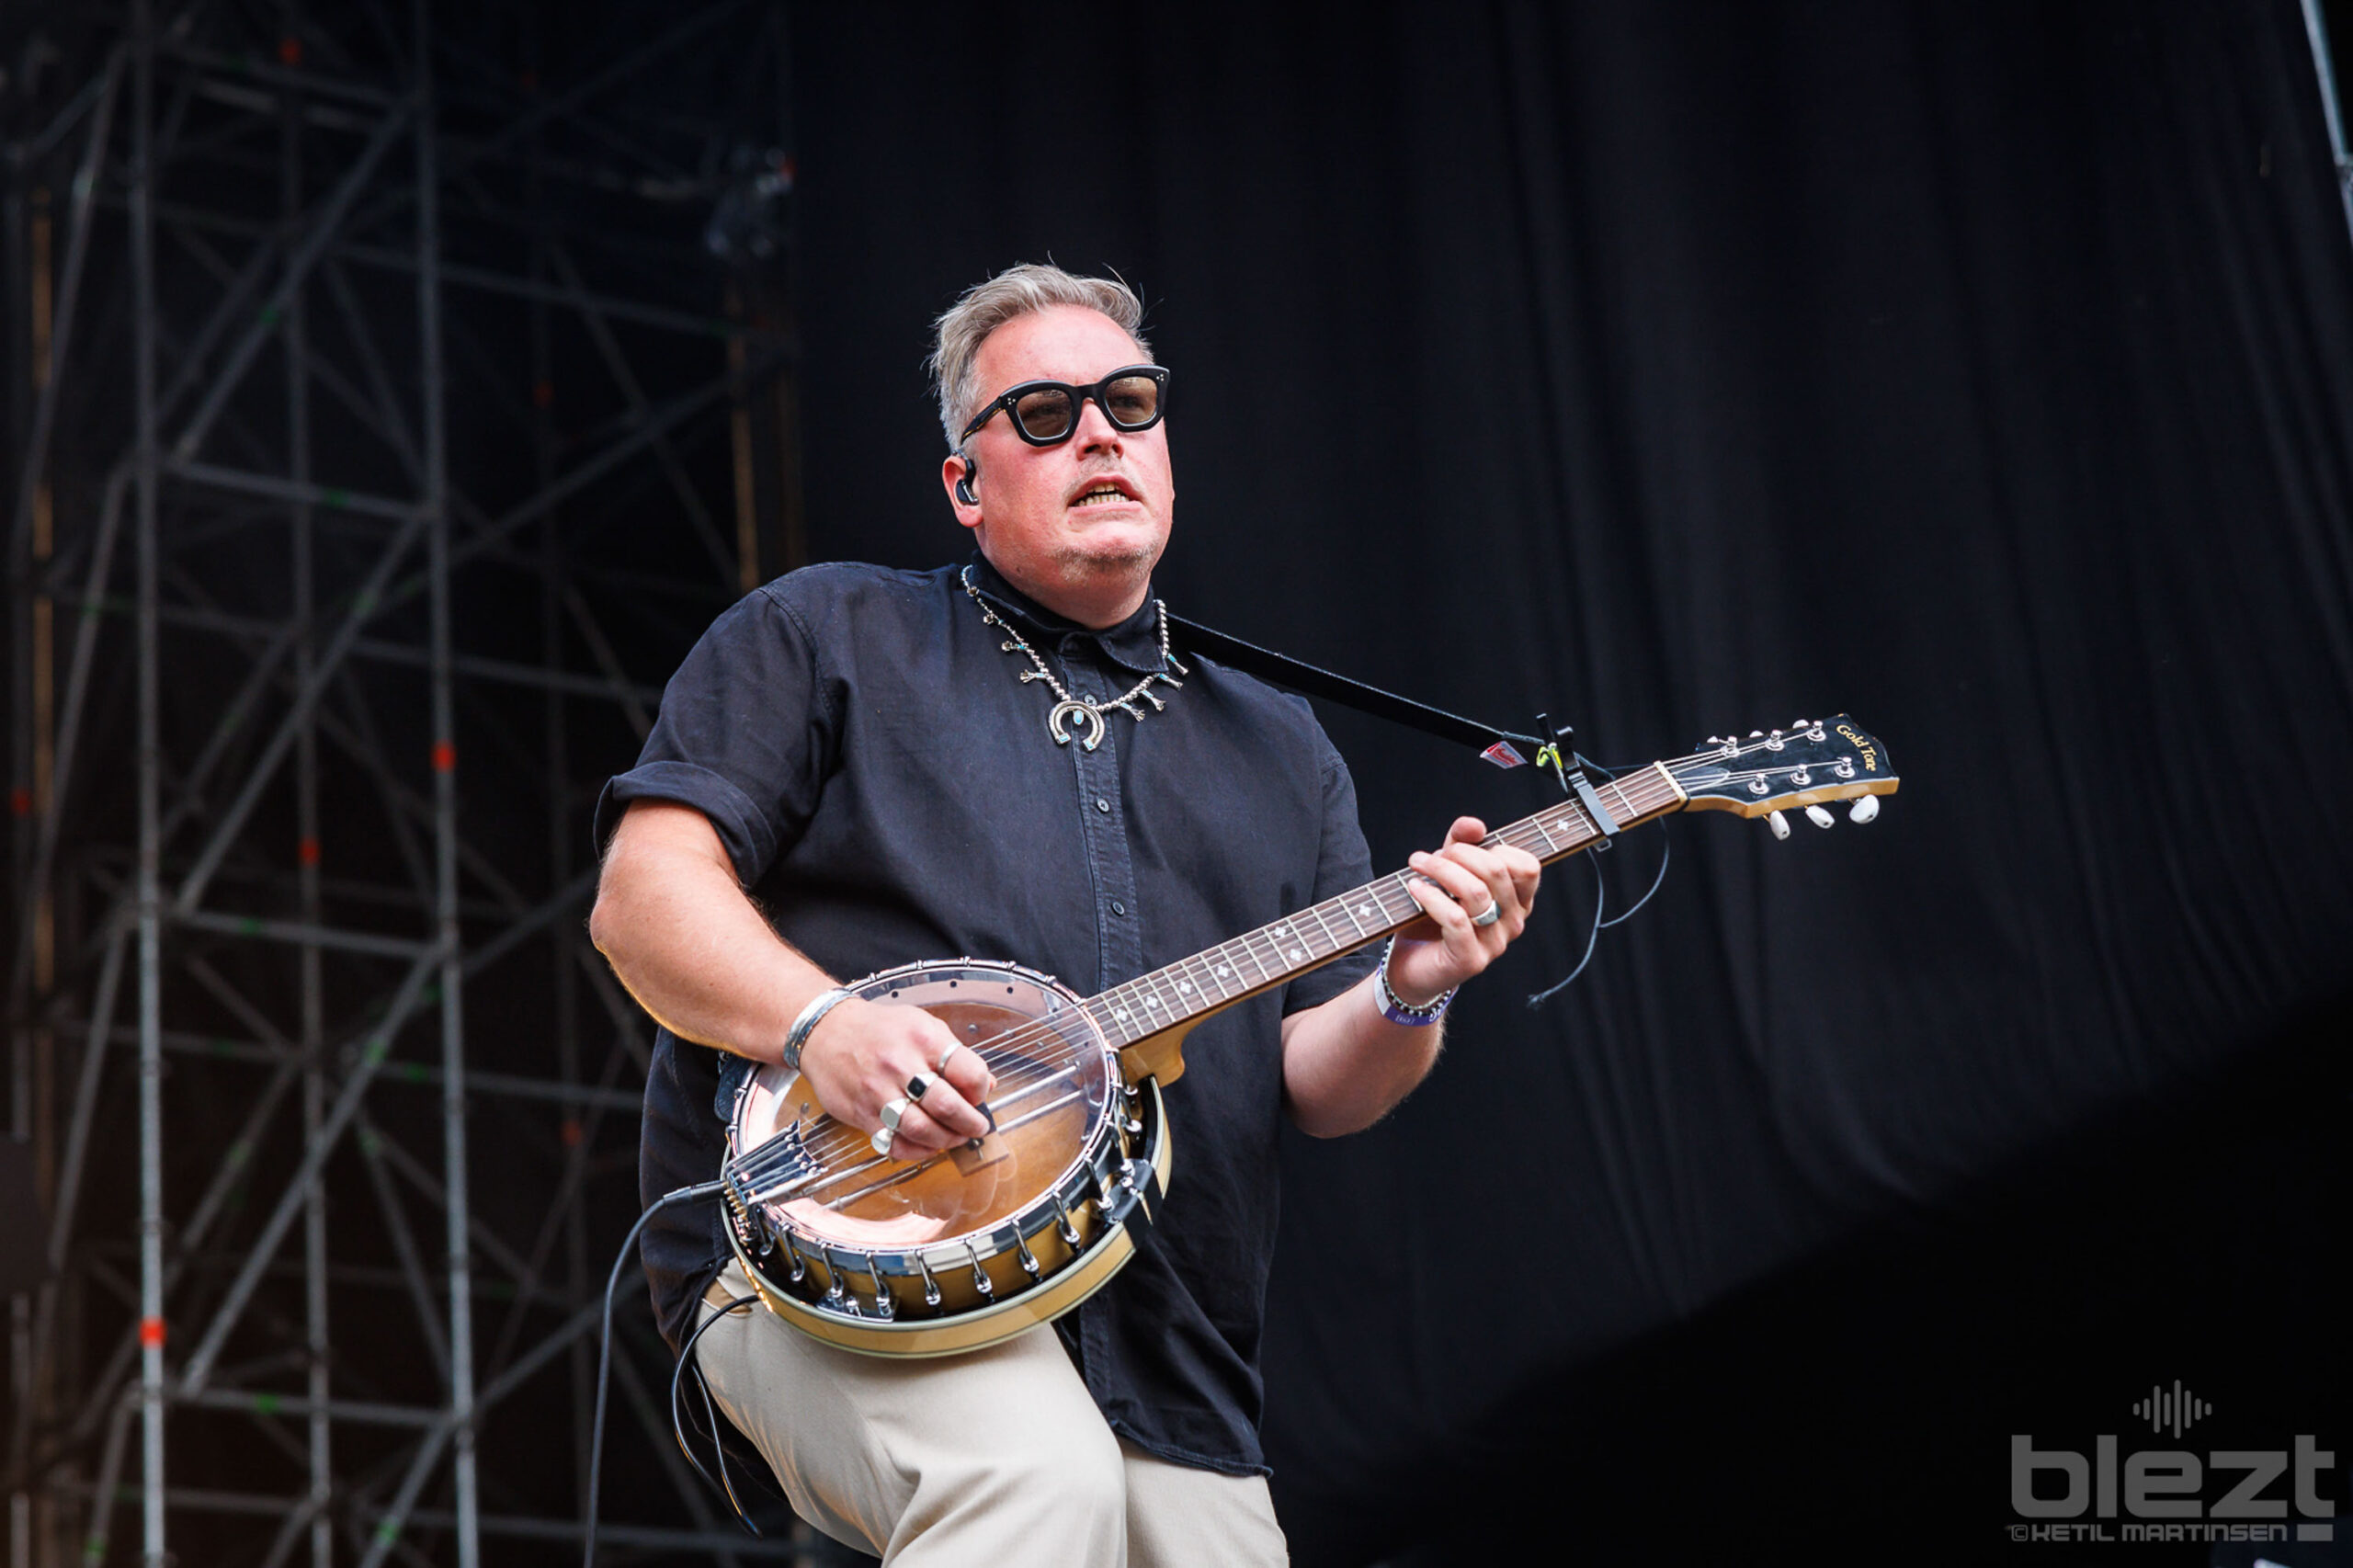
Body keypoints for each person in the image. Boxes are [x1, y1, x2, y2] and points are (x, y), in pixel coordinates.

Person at [588, 262, 1541, 1566]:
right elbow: (644, 898)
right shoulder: (826, 633)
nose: (1100, 433)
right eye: (1044, 414)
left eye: (1131, 402)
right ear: (964, 485)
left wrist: (1411, 986)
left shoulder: (1284, 748)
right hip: (832, 1253)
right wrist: (823, 1027)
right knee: (1032, 1487)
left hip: (1168, 1342)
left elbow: (1317, 1084)